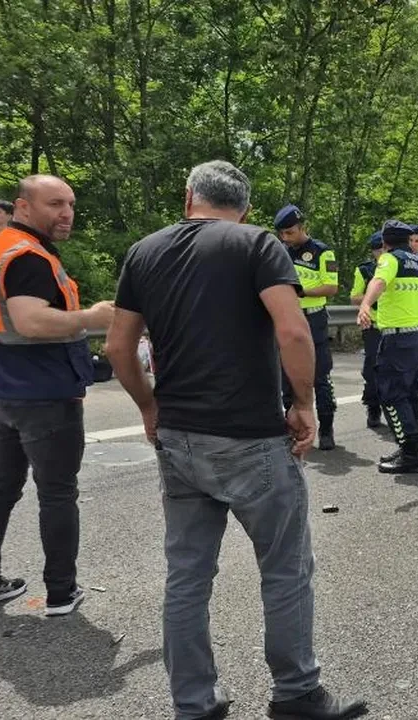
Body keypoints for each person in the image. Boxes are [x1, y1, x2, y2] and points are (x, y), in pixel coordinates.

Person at [103, 160, 368, 720]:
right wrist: (302, 403)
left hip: (178, 439)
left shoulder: (144, 252)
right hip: (251, 439)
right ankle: (297, 693)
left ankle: (194, 703)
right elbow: (293, 330)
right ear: (244, 208)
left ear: (188, 197)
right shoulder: (257, 245)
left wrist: (150, 407)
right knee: (285, 568)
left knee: (187, 575)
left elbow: (119, 349)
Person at [0, 175, 114, 616]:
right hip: (42, 396)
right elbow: (31, 321)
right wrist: (92, 317)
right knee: (57, 493)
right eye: (54, 204)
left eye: (71, 204)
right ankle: (61, 592)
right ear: (23, 207)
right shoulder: (28, 257)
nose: (66, 214)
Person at [357, 220, 418, 474]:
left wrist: (366, 304)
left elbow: (378, 282)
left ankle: (411, 453)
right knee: (414, 393)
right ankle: (409, 449)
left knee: (391, 394)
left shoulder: (390, 259)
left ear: (385, 242)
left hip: (399, 339)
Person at [274, 204, 339, 450]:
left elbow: (331, 288)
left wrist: (303, 292)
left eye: (290, 232)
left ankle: (327, 427)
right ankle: (293, 428)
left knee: (320, 376)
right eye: (282, 233)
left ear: (302, 227)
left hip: (314, 319)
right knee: (286, 377)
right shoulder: (279, 251)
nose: (285, 237)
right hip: (287, 319)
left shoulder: (322, 252)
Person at [350, 230, 385, 429]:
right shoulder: (364, 271)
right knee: (371, 370)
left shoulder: (398, 267)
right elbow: (354, 297)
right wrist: (373, 296)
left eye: (384, 248)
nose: (381, 253)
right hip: (372, 326)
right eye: (377, 250)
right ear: (373, 252)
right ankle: (373, 408)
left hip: (395, 326)